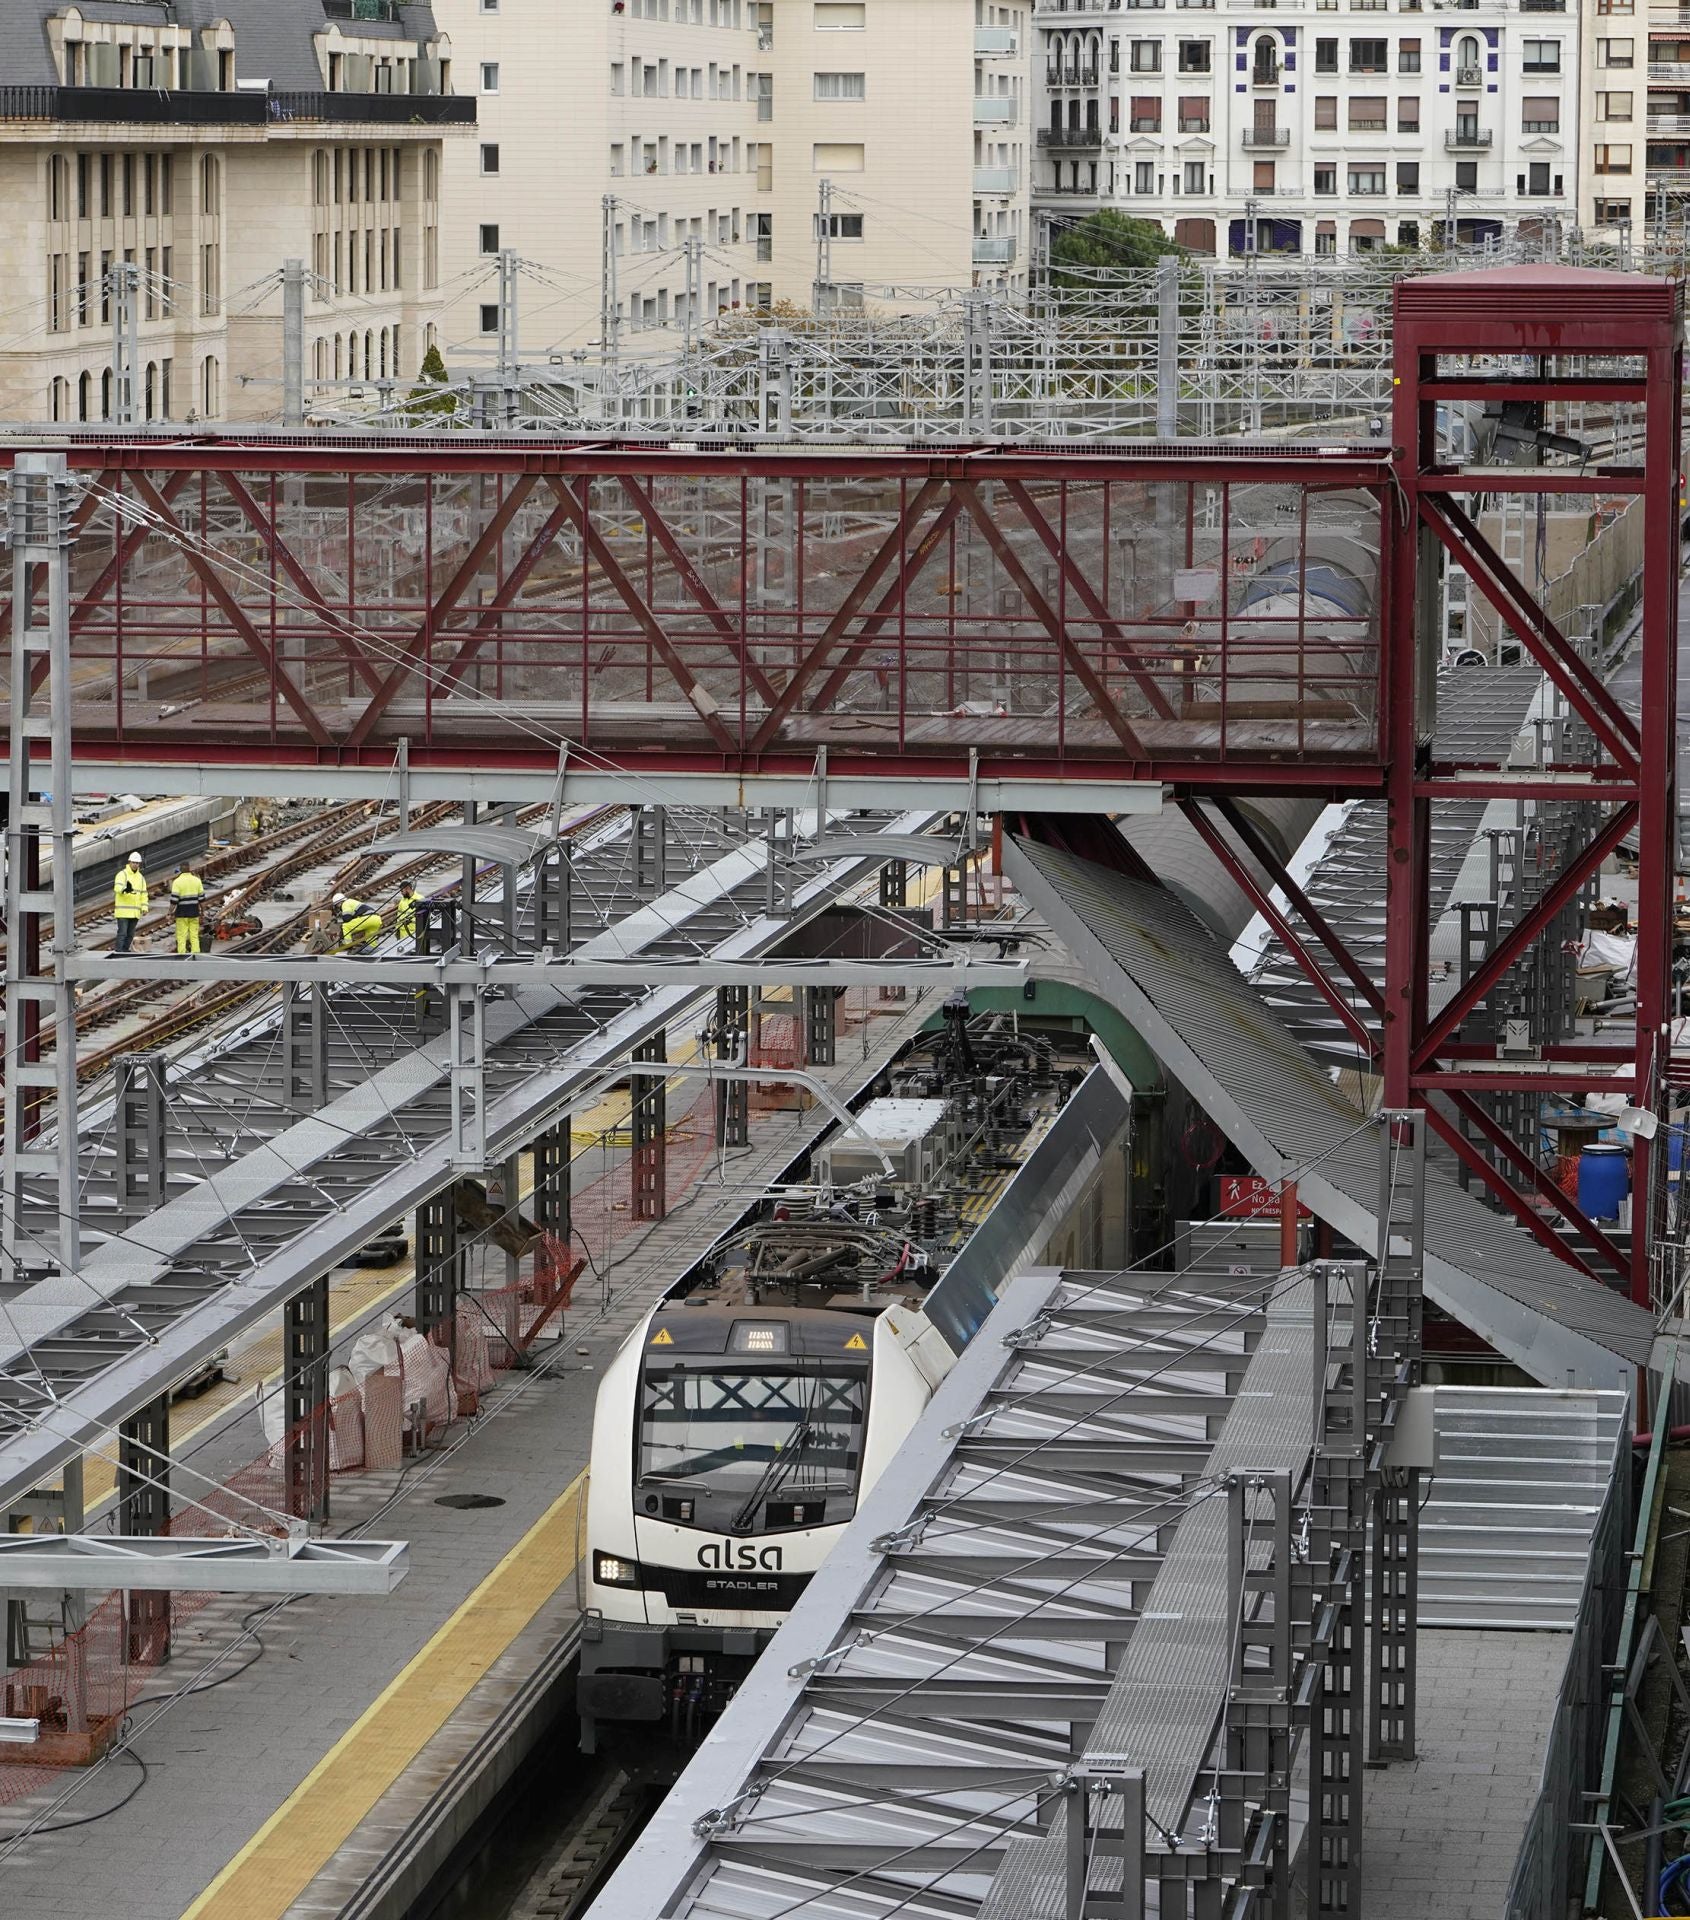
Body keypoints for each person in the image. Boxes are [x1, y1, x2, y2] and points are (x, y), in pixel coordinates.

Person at [112, 852, 148, 952]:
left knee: (130, 934)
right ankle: (119, 952)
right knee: (122, 933)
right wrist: (124, 889)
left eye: (137, 863)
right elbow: (117, 887)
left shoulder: (141, 878)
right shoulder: (122, 874)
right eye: (134, 862)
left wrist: (144, 907)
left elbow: (144, 894)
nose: (135, 864)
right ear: (129, 862)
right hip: (123, 912)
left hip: (135, 912)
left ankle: (125, 950)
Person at [170, 863, 205, 956]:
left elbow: (174, 901)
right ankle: (196, 955)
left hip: (182, 914)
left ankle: (182, 954)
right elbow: (201, 899)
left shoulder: (177, 882)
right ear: (189, 869)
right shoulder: (197, 881)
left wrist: (170, 913)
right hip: (194, 913)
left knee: (181, 936)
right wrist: (202, 912)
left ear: (180, 870)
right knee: (194, 935)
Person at [394, 882, 420, 950]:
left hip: (414, 934)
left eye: (402, 891)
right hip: (403, 934)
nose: (401, 893)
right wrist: (397, 931)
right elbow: (399, 916)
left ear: (407, 889)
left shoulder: (419, 899)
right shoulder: (403, 900)